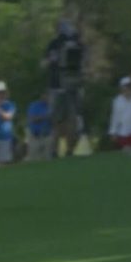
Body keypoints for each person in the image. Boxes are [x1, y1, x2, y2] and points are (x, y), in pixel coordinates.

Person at [43, 19, 85, 153]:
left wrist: (50, 61)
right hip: (74, 84)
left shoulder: (54, 44)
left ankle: (55, 151)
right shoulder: (79, 44)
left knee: (57, 118)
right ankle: (69, 150)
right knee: (71, 116)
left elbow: (45, 63)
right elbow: (84, 63)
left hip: (57, 85)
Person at [26, 92, 53, 161]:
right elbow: (32, 119)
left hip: (47, 135)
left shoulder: (52, 106)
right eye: (47, 96)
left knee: (48, 157)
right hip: (35, 135)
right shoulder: (34, 106)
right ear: (42, 96)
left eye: (50, 97)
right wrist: (45, 116)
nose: (48, 98)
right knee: (34, 157)